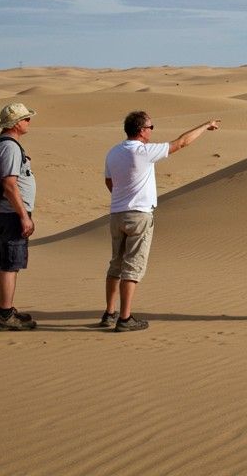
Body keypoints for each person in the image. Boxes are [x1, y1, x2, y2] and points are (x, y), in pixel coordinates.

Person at [100, 111, 220, 332]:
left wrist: (122, 198)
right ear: (142, 131)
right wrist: (205, 126)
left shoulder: (113, 152)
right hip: (139, 215)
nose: (152, 131)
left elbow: (109, 181)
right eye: (150, 127)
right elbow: (181, 143)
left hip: (117, 214)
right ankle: (125, 318)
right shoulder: (143, 152)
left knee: (115, 264)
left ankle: (109, 313)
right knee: (132, 268)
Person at [0, 102, 38, 331]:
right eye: (27, 119)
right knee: (10, 265)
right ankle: (5, 316)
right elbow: (9, 185)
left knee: (1, 262)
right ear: (17, 123)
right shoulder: (8, 146)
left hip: (2, 213)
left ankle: (4, 309)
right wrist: (23, 216)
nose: (29, 122)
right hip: (10, 214)